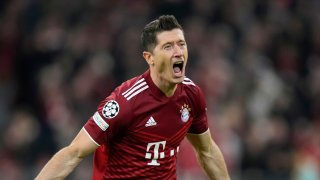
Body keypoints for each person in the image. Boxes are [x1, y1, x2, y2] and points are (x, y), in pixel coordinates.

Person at [35, 15, 230, 180]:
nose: (178, 52)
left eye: (181, 44)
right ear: (149, 58)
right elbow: (73, 153)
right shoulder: (125, 102)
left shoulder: (191, 95)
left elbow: (207, 152)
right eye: (168, 46)